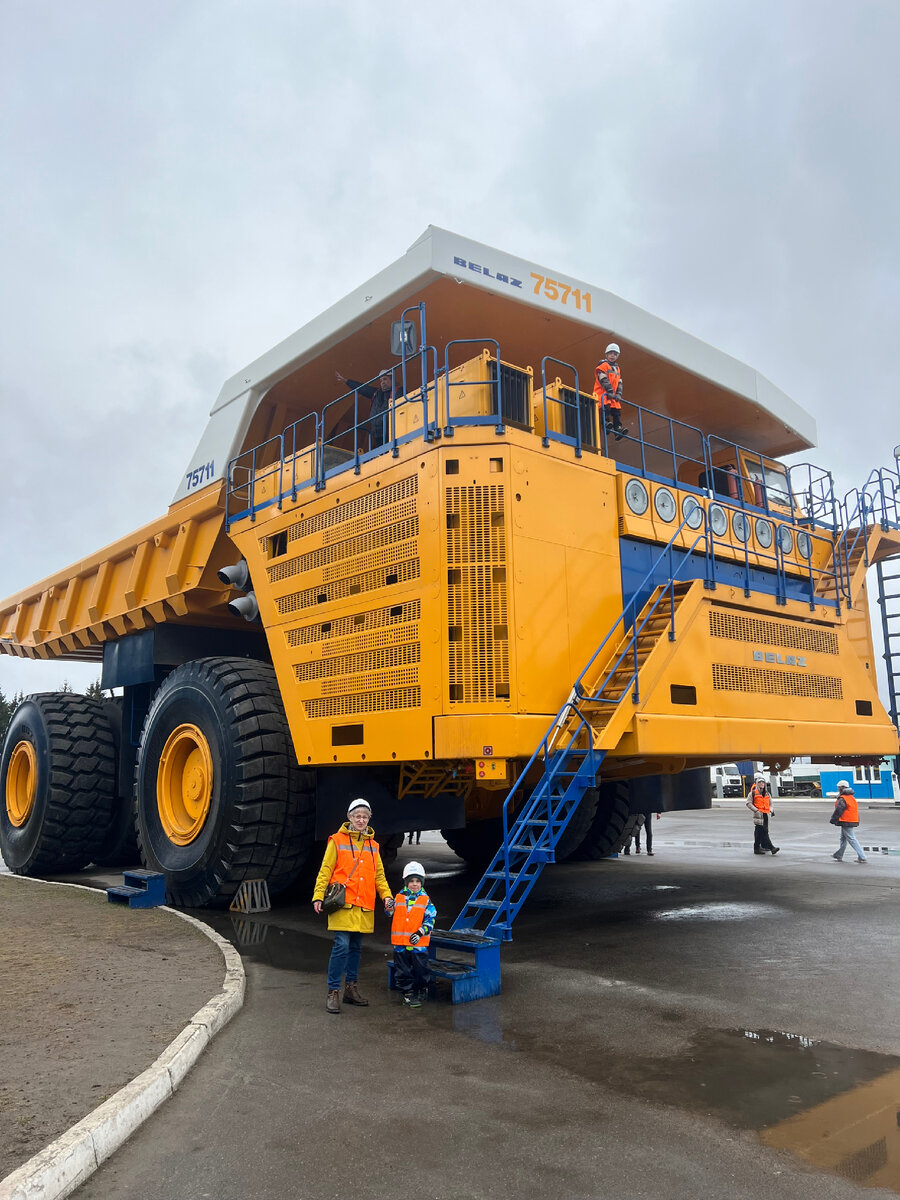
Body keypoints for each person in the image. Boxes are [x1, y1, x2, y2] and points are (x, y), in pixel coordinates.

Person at [312, 798, 394, 1014]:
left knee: (356, 949)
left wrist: (387, 896)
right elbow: (326, 869)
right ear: (349, 817)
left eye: (365, 816)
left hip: (364, 906)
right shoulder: (337, 840)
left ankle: (351, 989)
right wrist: (318, 895)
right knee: (341, 946)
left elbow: (379, 876)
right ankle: (333, 991)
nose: (361, 819)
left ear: (369, 819)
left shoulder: (373, 846)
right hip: (343, 904)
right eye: (357, 816)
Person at [391, 861, 436, 1008]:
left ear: (421, 882)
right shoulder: (398, 897)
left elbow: (431, 919)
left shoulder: (426, 899)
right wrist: (389, 907)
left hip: (418, 944)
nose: (415, 884)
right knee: (402, 970)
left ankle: (422, 988)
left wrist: (420, 932)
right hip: (401, 944)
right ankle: (407, 994)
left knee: (421, 968)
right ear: (406, 882)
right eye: (411, 881)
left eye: (418, 881)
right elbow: (390, 913)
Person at [335, 367, 393, 449]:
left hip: (391, 430)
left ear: (392, 380)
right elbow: (362, 388)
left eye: (385, 379)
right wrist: (346, 381)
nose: (383, 382)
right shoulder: (376, 393)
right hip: (377, 433)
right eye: (381, 380)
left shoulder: (398, 392)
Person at [593, 342, 628, 441]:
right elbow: (603, 379)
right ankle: (606, 423)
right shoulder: (603, 366)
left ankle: (618, 428)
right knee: (606, 409)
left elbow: (619, 382)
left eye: (615, 354)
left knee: (616, 411)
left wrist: (618, 394)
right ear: (607, 354)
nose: (613, 355)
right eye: (611, 353)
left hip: (612, 396)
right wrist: (610, 391)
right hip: (602, 394)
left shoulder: (617, 368)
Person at [831, 780, 867, 863]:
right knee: (843, 838)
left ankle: (862, 856)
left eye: (838, 787)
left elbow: (839, 810)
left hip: (846, 820)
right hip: (851, 819)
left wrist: (833, 819)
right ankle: (839, 855)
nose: (837, 789)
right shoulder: (851, 797)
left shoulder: (843, 798)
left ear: (841, 788)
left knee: (851, 838)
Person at [747, 774, 779, 855]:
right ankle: (772, 848)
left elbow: (770, 804)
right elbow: (748, 803)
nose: (762, 784)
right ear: (757, 784)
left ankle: (757, 848)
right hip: (758, 815)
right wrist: (756, 810)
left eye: (763, 783)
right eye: (760, 782)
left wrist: (771, 810)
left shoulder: (767, 794)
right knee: (763, 831)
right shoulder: (753, 793)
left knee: (759, 833)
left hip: (766, 815)